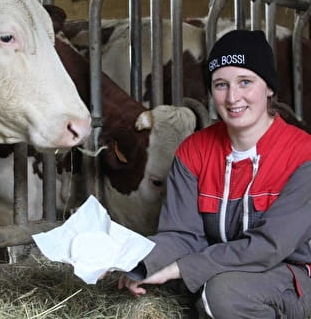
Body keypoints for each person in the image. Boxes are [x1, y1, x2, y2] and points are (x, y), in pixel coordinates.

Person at [118, 29, 311, 318]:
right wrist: (141, 262)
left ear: (269, 88)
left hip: (295, 277)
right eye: (221, 85)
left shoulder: (303, 153)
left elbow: (270, 246)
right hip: (221, 270)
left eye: (245, 82)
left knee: (223, 294)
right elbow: (181, 235)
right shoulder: (194, 151)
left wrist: (183, 268)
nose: (233, 97)